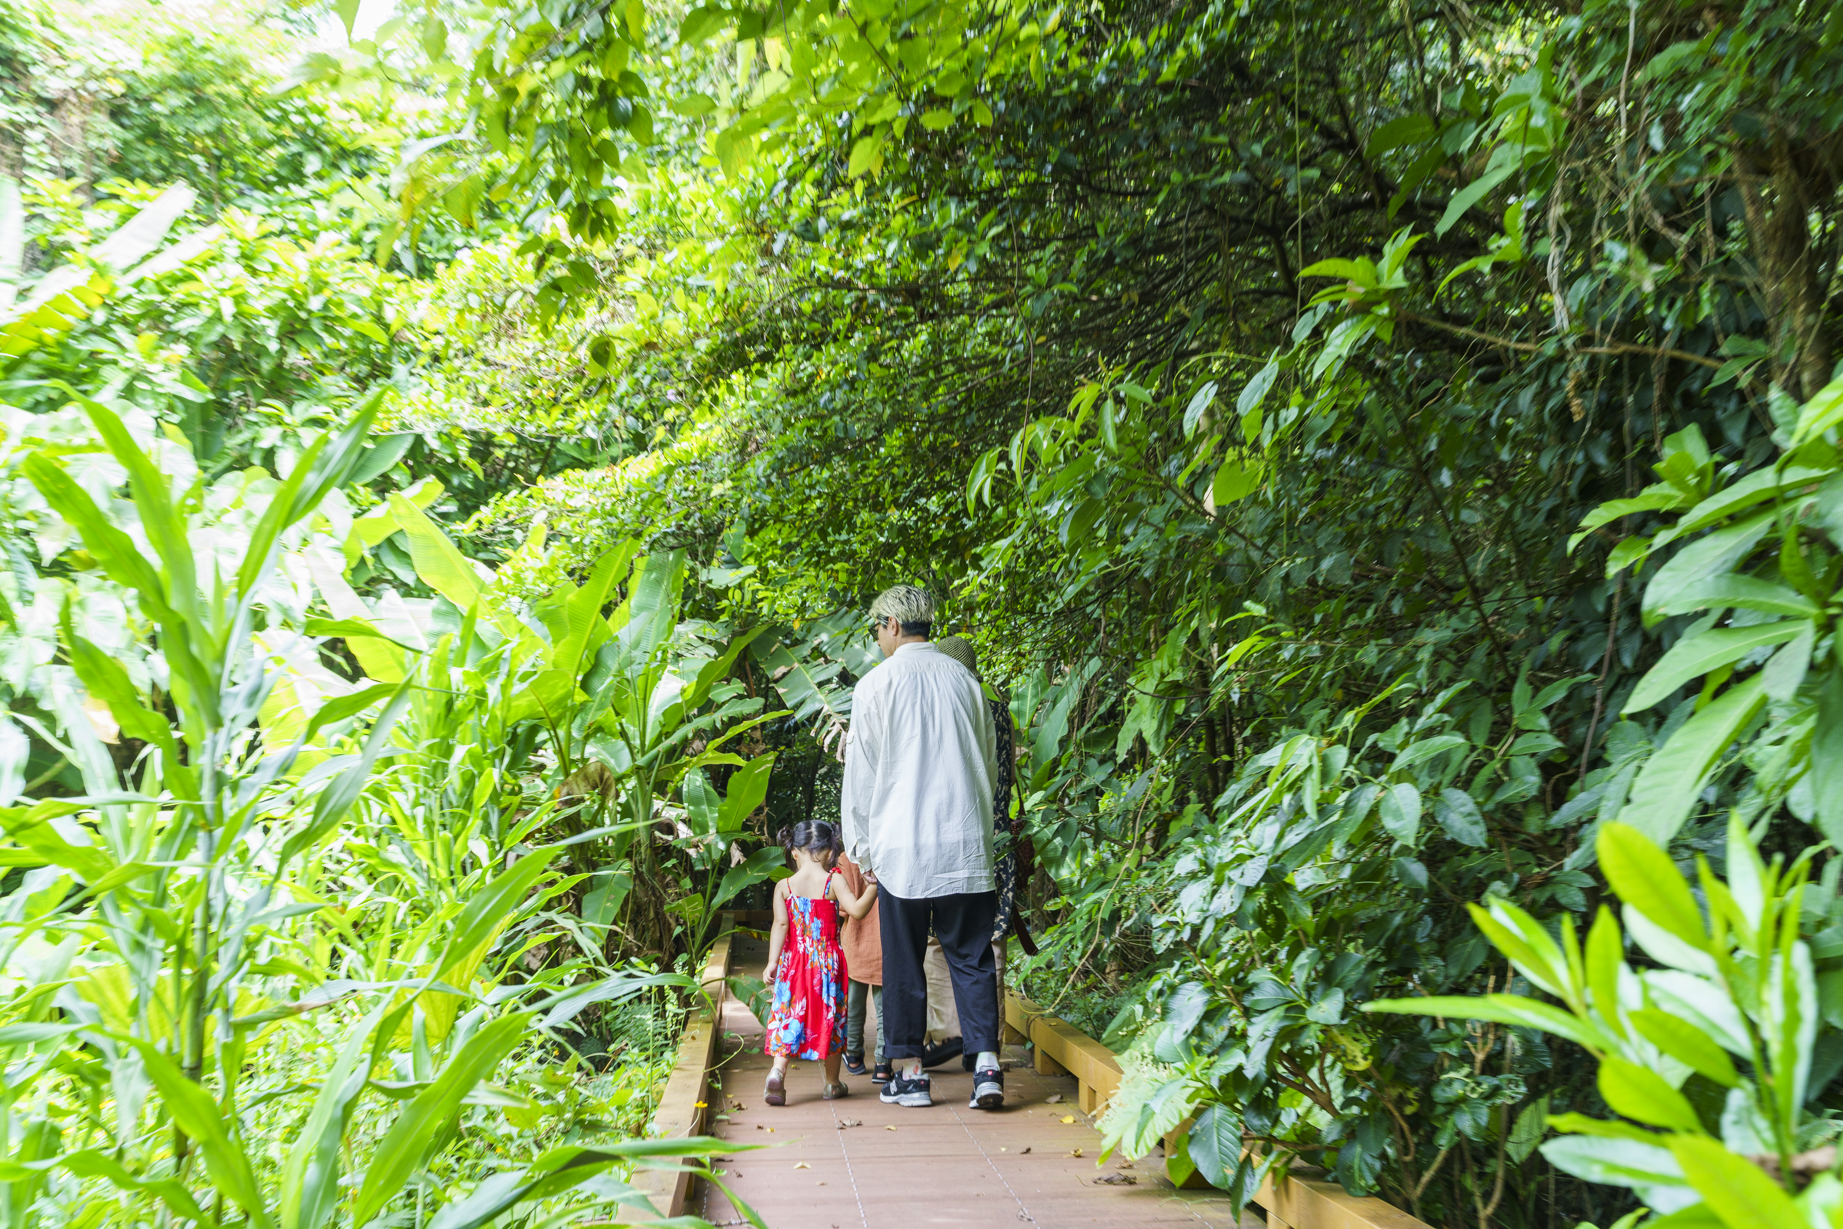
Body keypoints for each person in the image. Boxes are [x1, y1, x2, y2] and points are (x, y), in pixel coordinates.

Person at [841, 584, 1004, 1111]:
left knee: (905, 959)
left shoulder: (875, 686)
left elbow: (862, 777)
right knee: (973, 957)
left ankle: (910, 1074)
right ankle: (986, 1068)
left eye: (876, 630)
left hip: (902, 848)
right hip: (964, 845)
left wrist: (861, 850)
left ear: (891, 625)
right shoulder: (965, 681)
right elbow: (989, 764)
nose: (878, 639)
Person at [923, 635, 1019, 1069]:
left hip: (946, 836)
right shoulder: (997, 711)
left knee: (937, 939)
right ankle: (985, 1043)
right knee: (990, 940)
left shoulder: (944, 710)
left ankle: (948, 1034)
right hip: (994, 839)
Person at [760, 820, 877, 1106]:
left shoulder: (785, 886)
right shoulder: (833, 880)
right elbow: (857, 911)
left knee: (790, 1015)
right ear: (829, 852)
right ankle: (832, 1084)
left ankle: (777, 1072)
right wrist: (875, 886)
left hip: (794, 964)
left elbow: (780, 924)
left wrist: (772, 962)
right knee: (831, 1018)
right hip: (827, 964)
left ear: (794, 852)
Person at [835, 852, 889, 1082]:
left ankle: (854, 1056)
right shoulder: (889, 850)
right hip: (886, 940)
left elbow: (844, 909)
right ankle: (883, 1064)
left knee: (853, 1004)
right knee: (885, 1008)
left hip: (855, 941)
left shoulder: (847, 858)